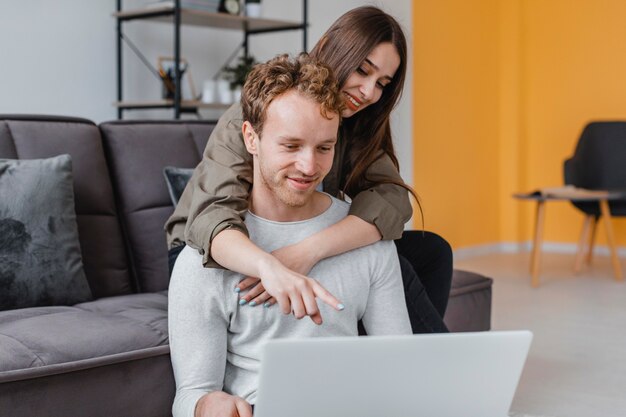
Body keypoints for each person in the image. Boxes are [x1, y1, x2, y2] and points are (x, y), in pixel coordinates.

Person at [165, 6, 451, 332]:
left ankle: (395, 357)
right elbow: (212, 218)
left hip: (297, 235)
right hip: (213, 250)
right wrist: (271, 264)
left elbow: (393, 200)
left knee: (432, 251)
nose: (370, 92)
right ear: (333, 48)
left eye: (382, 82)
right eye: (362, 70)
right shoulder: (262, 113)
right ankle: (439, 369)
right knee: (391, 265)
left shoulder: (353, 126)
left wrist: (307, 251)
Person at [168, 54, 412, 417]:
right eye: (291, 146)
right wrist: (207, 406)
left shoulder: (365, 239)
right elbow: (191, 395)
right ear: (251, 137)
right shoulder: (203, 259)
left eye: (324, 148)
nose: (309, 167)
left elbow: (402, 373)